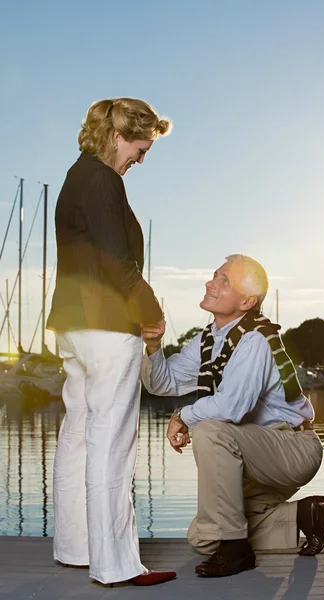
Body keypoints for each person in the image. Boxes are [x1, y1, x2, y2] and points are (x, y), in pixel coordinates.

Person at [47, 97, 176, 586]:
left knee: (79, 432)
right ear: (120, 136)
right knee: (111, 442)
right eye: (141, 149)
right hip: (105, 325)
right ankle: (116, 565)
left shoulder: (77, 174)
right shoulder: (103, 180)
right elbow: (117, 263)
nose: (140, 160)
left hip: (74, 325)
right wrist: (152, 312)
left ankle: (76, 548)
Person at [141, 254, 324, 578]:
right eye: (214, 276)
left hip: (293, 447)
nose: (210, 283)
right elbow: (164, 381)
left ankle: (236, 550)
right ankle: (304, 516)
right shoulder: (208, 341)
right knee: (203, 537)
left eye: (223, 280)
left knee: (209, 429)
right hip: (254, 454)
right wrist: (153, 346)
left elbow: (232, 407)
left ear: (246, 301)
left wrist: (184, 415)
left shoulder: (255, 339)